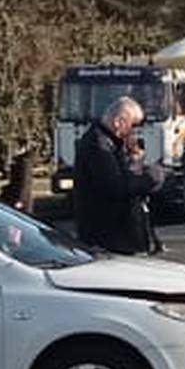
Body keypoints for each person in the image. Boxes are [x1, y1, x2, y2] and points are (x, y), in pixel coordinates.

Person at [73, 96, 163, 254]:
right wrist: (151, 178)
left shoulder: (114, 144)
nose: (135, 131)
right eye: (133, 125)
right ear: (118, 122)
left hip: (122, 236)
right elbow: (116, 186)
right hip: (110, 239)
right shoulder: (97, 146)